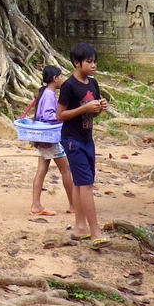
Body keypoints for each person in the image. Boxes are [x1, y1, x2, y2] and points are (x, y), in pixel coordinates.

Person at [56, 42, 110, 248]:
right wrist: (85, 107)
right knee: (86, 184)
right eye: (89, 61)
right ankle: (95, 231)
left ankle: (80, 227)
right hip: (72, 140)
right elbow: (60, 115)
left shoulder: (92, 84)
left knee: (81, 183)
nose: (93, 65)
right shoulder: (69, 86)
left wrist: (98, 108)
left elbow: (91, 111)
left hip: (87, 138)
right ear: (76, 63)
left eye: (95, 61)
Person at [28, 65, 75, 217]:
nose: (63, 79)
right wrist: (63, 116)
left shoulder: (46, 93)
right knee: (66, 170)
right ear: (55, 79)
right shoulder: (49, 95)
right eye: (61, 76)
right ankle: (74, 206)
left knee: (41, 170)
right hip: (51, 139)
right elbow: (48, 116)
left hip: (43, 139)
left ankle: (36, 205)